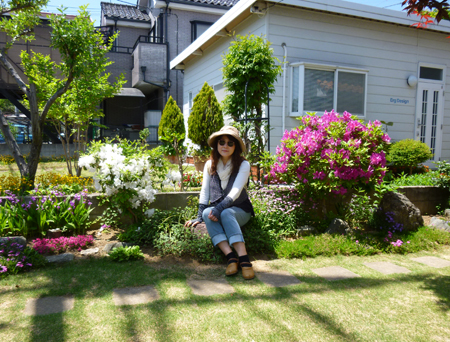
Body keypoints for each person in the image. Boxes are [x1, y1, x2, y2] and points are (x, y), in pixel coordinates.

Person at [185, 126, 255, 279]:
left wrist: (218, 209)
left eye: (230, 143)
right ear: (217, 145)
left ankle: (244, 259)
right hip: (220, 210)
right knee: (206, 213)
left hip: (240, 211)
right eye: (222, 142)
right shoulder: (210, 165)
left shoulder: (244, 165)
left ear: (235, 147)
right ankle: (230, 257)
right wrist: (199, 216)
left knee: (226, 212)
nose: (225, 146)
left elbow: (235, 192)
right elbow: (205, 191)